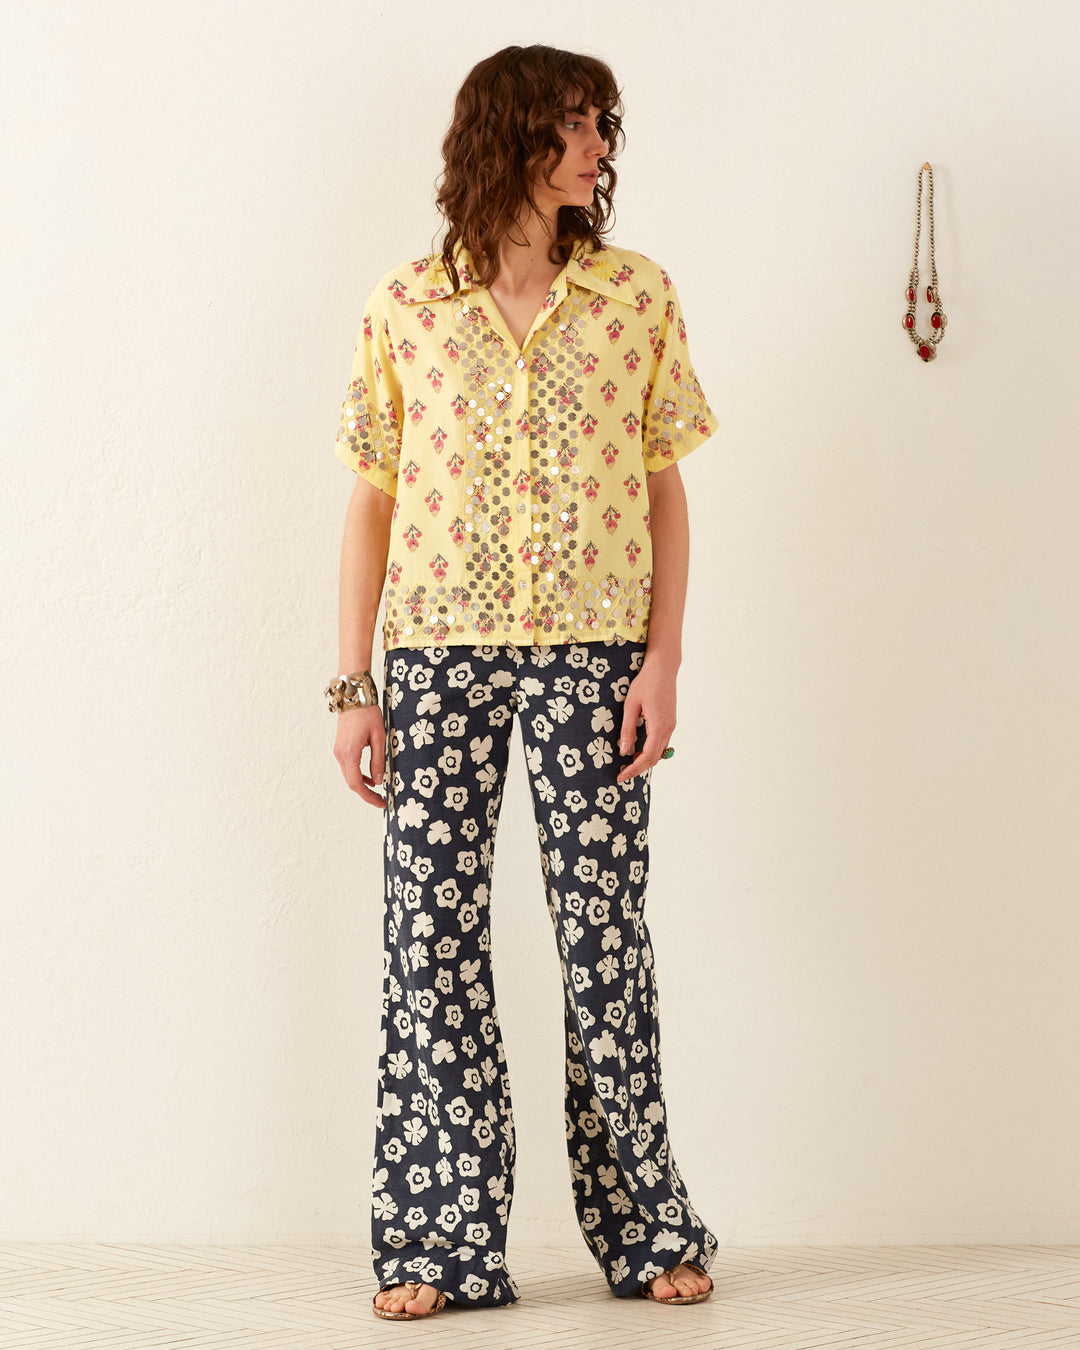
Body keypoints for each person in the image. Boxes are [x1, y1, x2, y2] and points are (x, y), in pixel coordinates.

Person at [327, 44, 720, 1321]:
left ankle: (647, 1225)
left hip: (596, 654)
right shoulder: (404, 307)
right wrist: (353, 687)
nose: (603, 143)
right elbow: (370, 504)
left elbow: (665, 484)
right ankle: (441, 1243)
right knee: (429, 944)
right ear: (511, 137)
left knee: (605, 941)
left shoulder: (635, 296)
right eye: (577, 123)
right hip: (435, 657)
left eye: (605, 123)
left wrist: (662, 658)